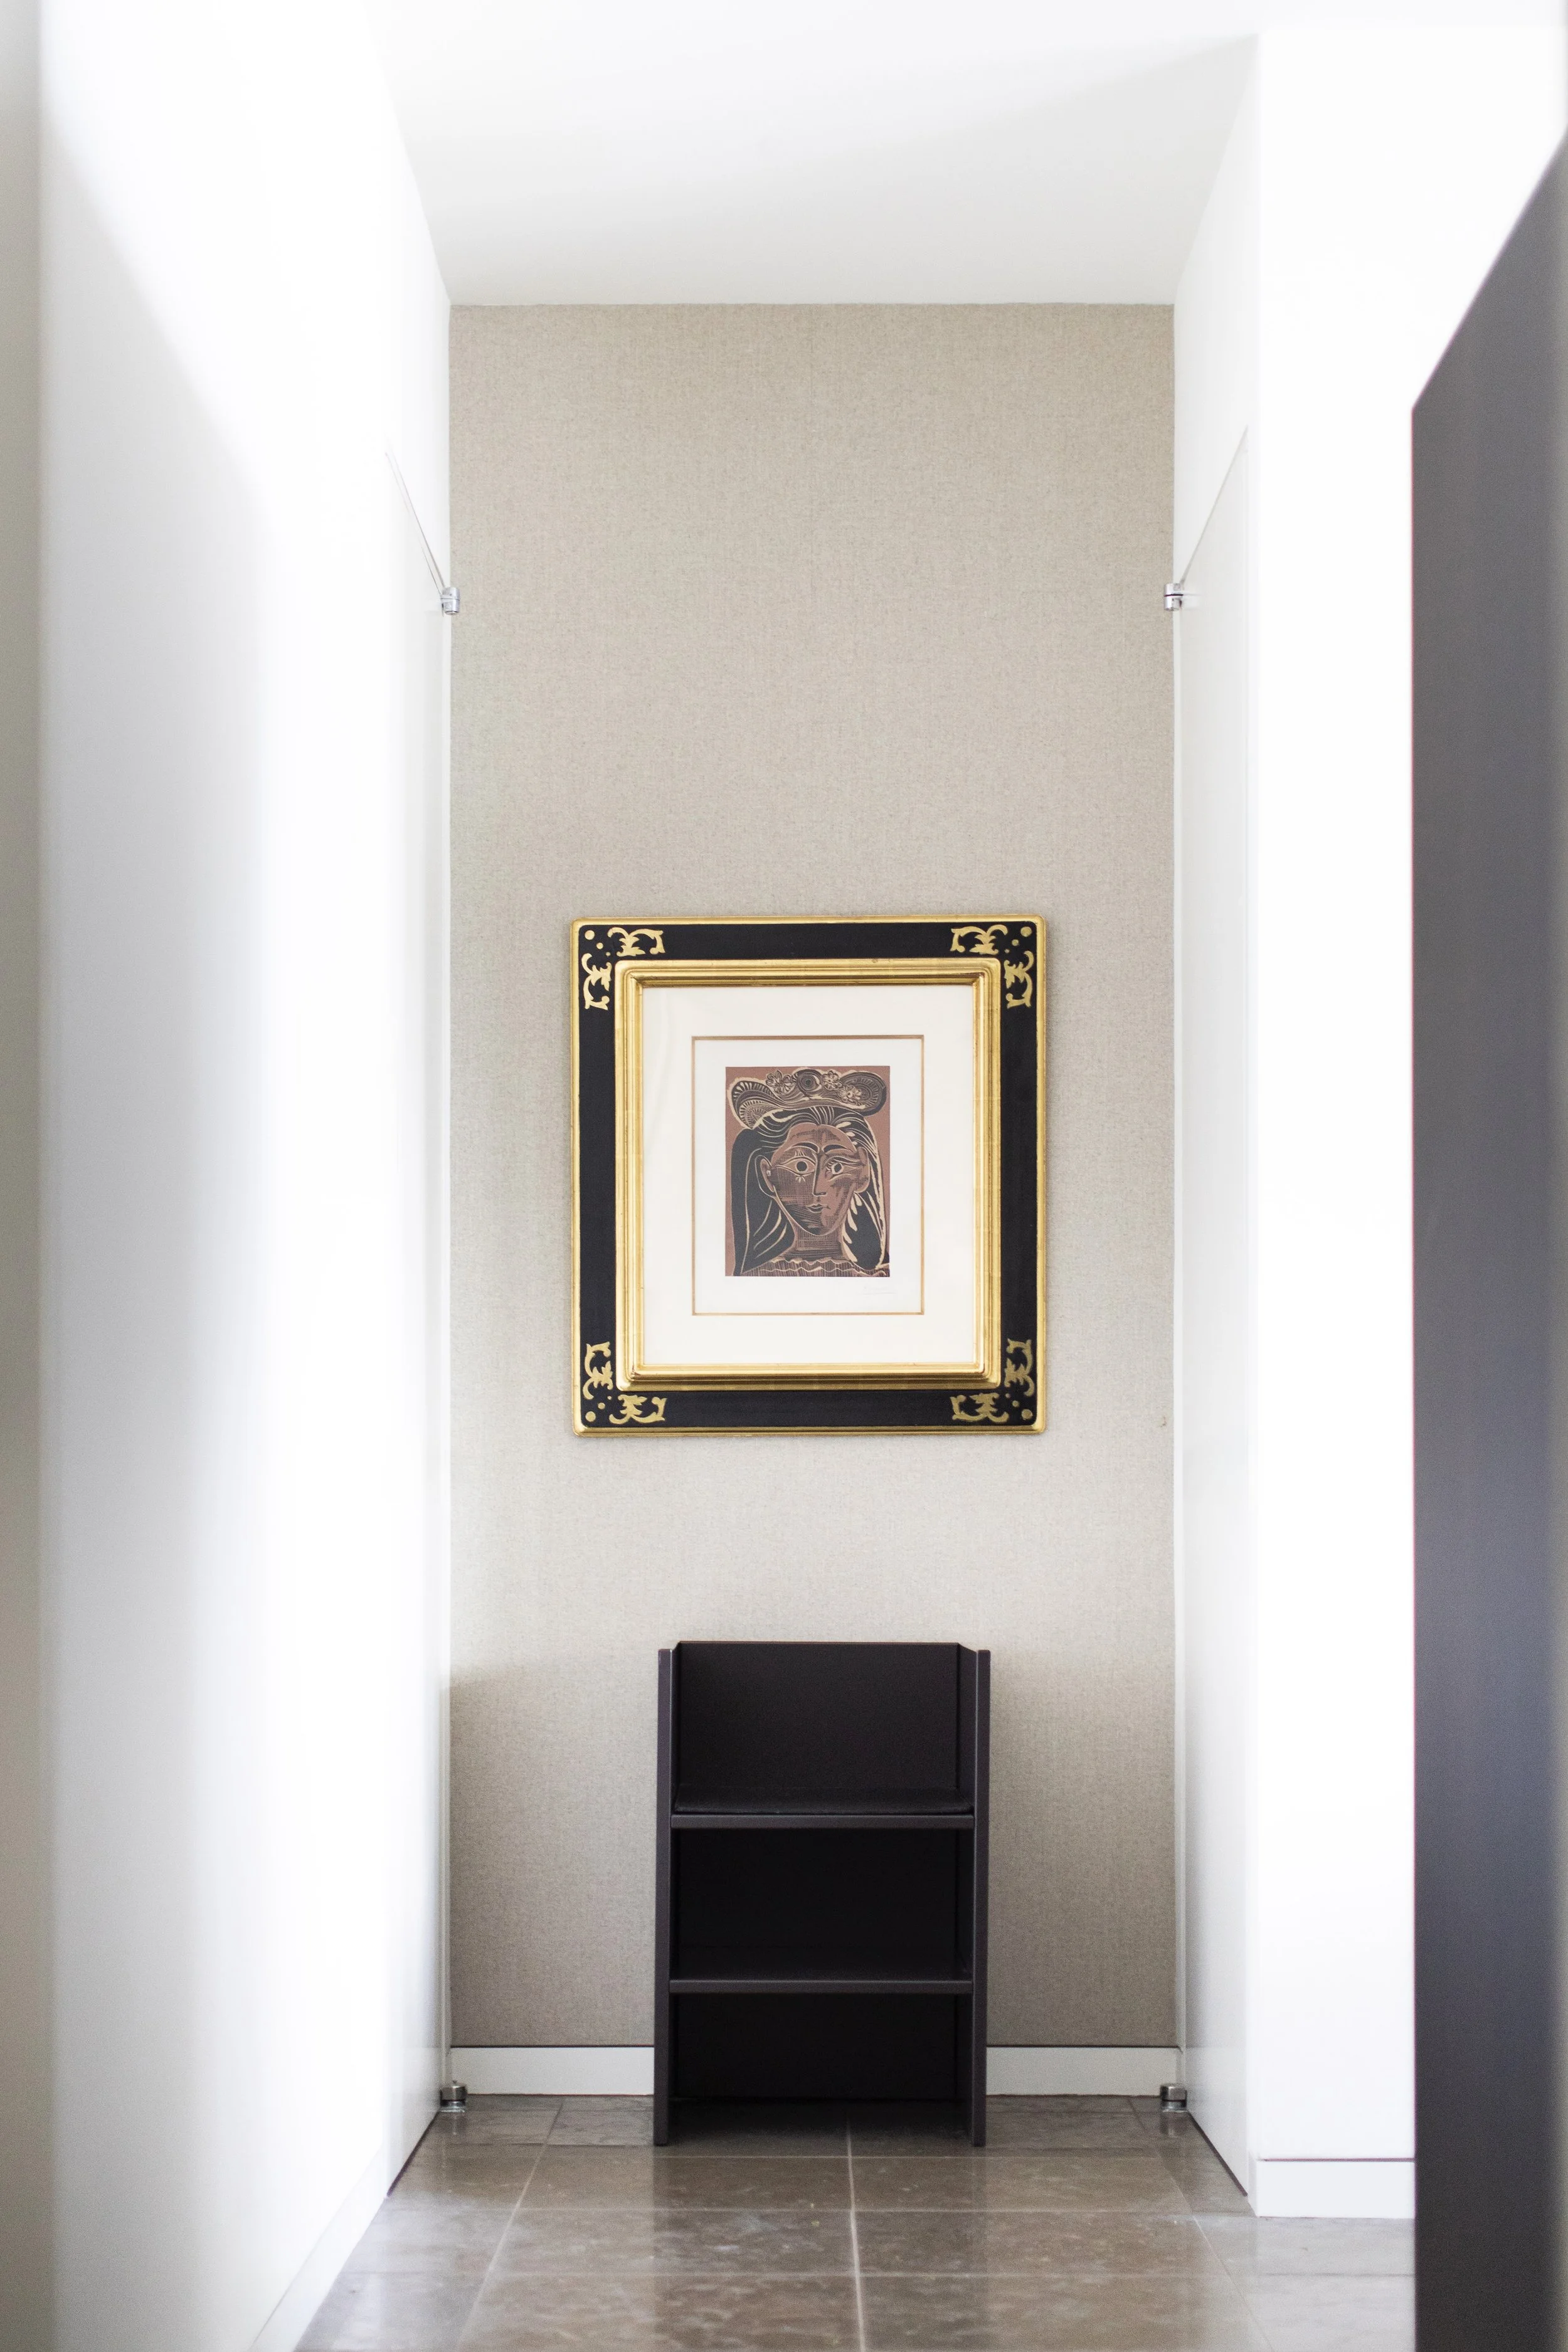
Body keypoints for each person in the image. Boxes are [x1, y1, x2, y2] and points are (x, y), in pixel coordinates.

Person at [728, 1067, 888, 1276]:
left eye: (837, 1166)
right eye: (801, 1167)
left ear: (863, 1174)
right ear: (768, 1175)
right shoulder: (751, 1281)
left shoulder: (881, 1279)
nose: (819, 1188)